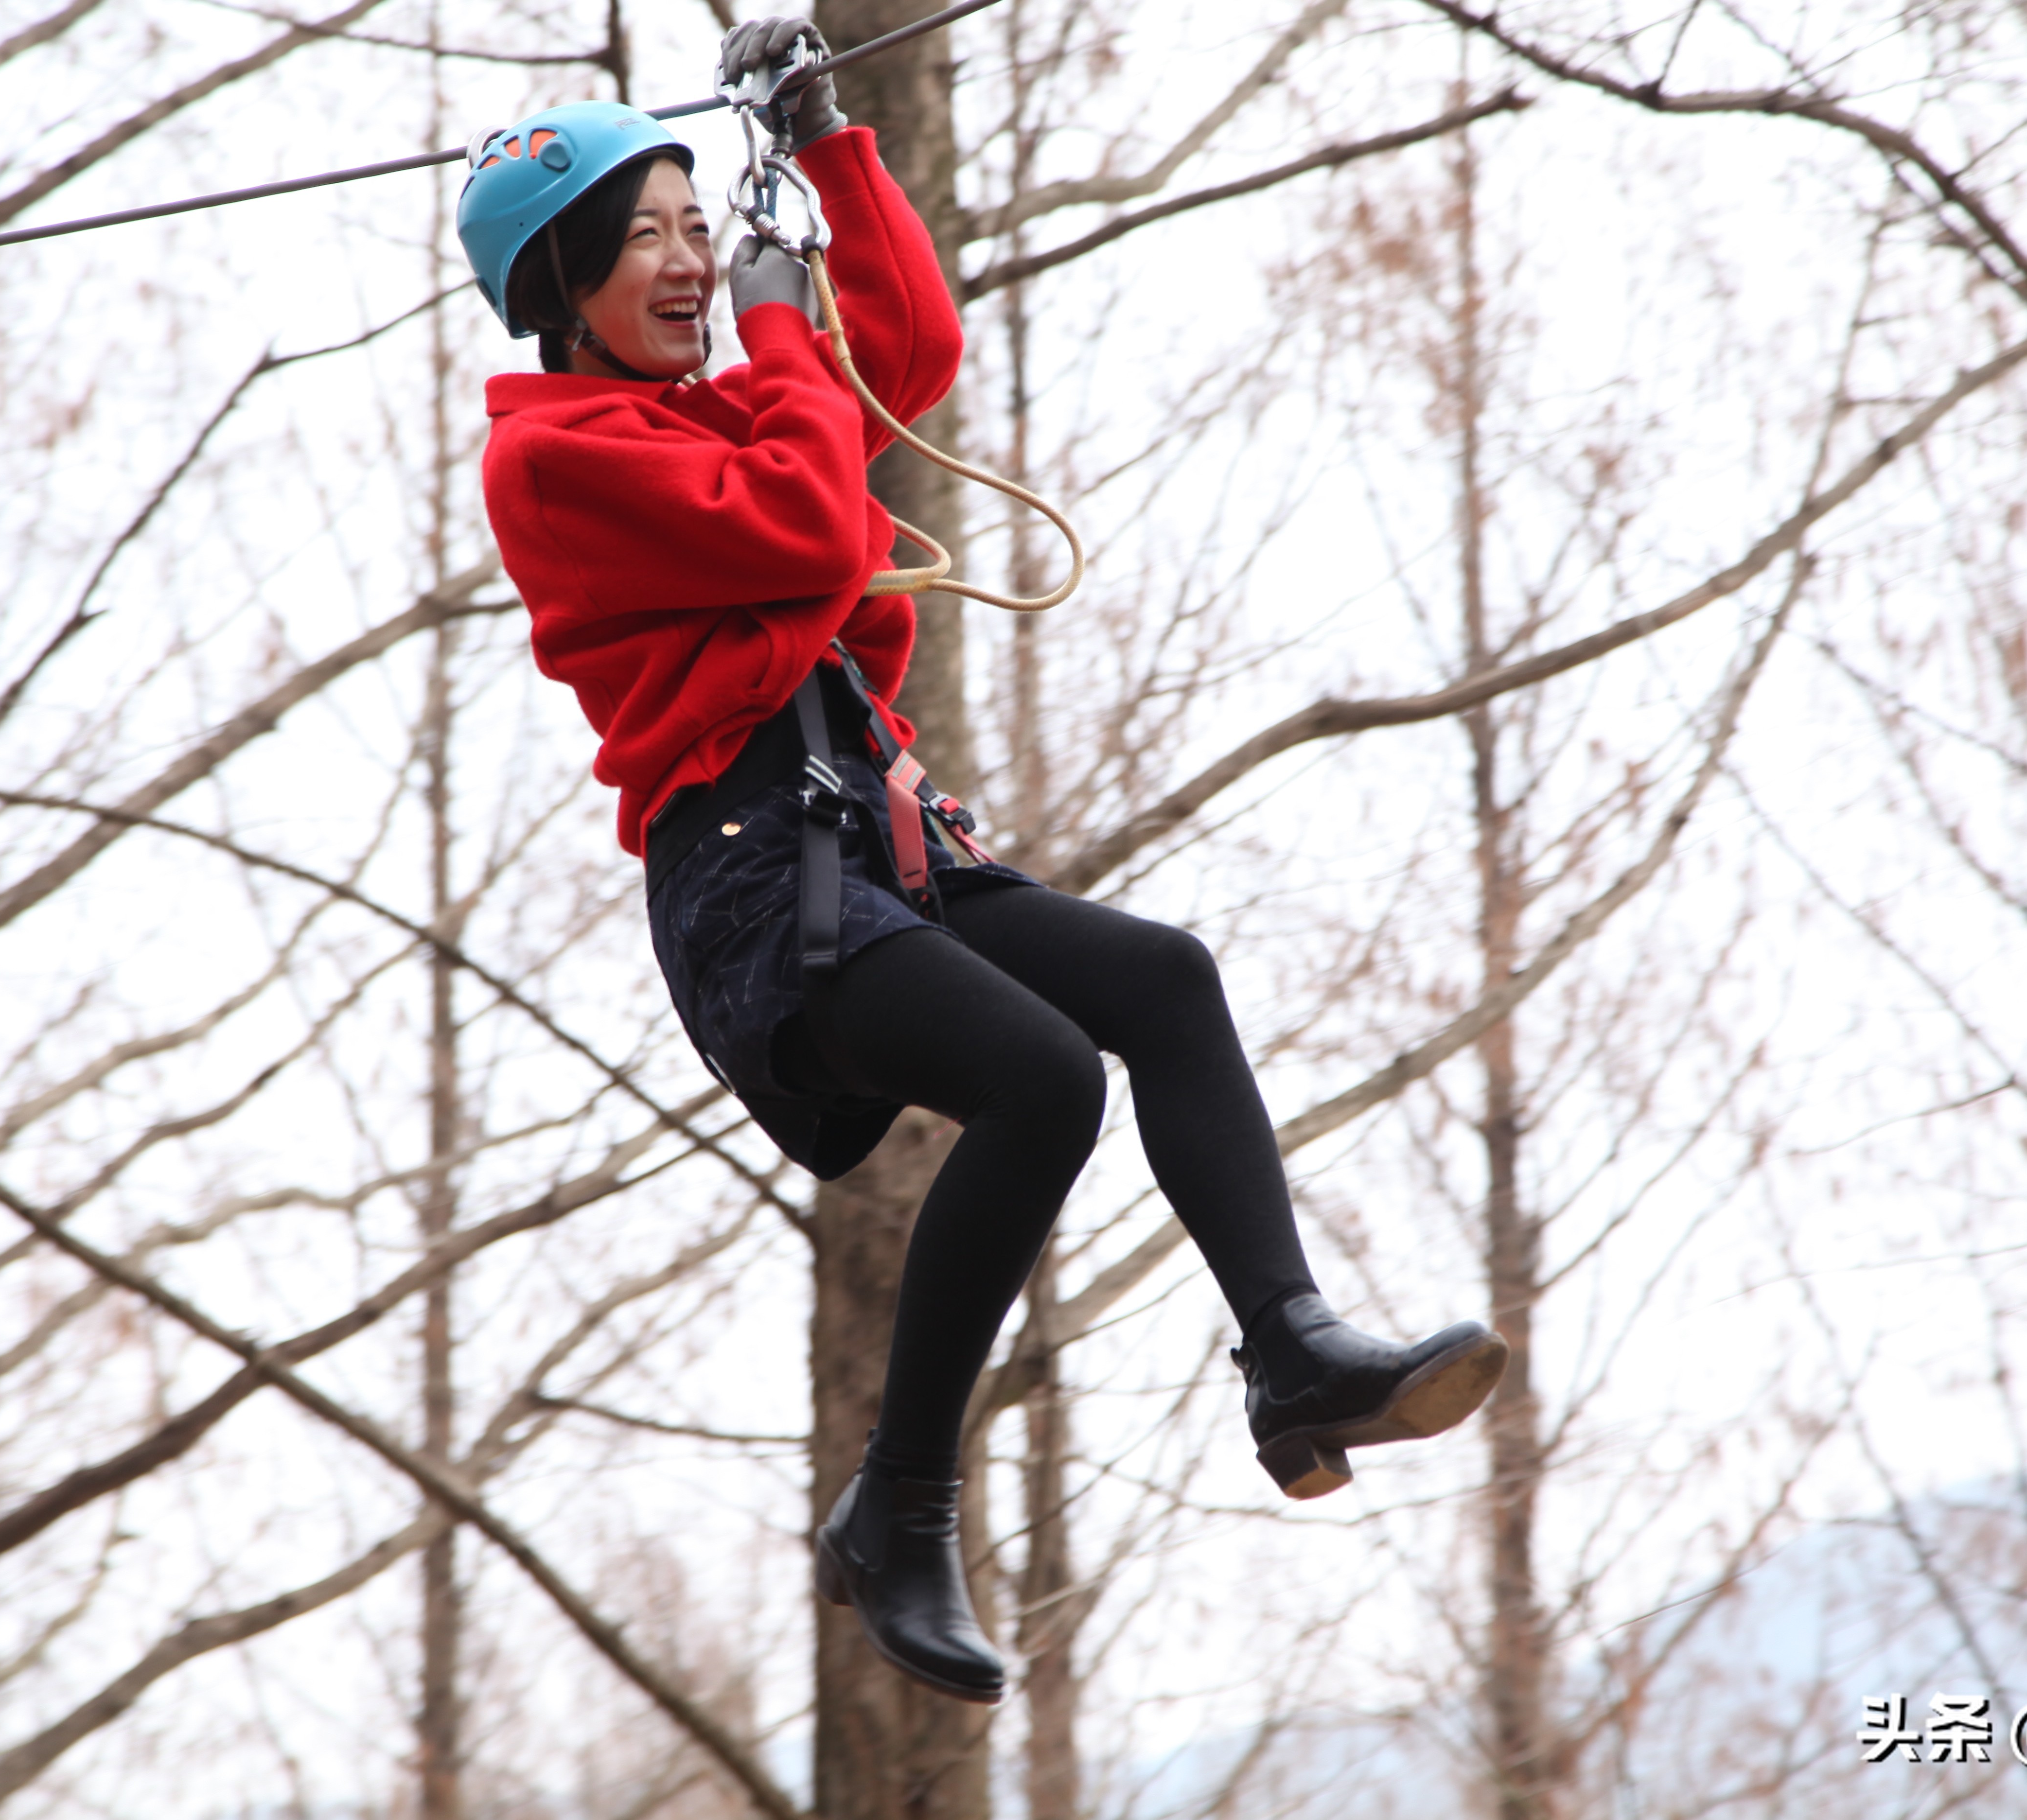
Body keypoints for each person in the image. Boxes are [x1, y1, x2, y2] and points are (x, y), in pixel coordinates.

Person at [460, 17, 1508, 1705]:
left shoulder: (728, 410)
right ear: (560, 279)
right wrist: (785, 332)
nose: (687, 260)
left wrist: (828, 154)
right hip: (749, 867)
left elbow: (910, 357)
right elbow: (809, 521)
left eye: (690, 225)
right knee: (1042, 1081)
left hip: (871, 834)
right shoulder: (555, 456)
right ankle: (903, 1501)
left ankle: (1294, 1354)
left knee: (1161, 984)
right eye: (644, 238)